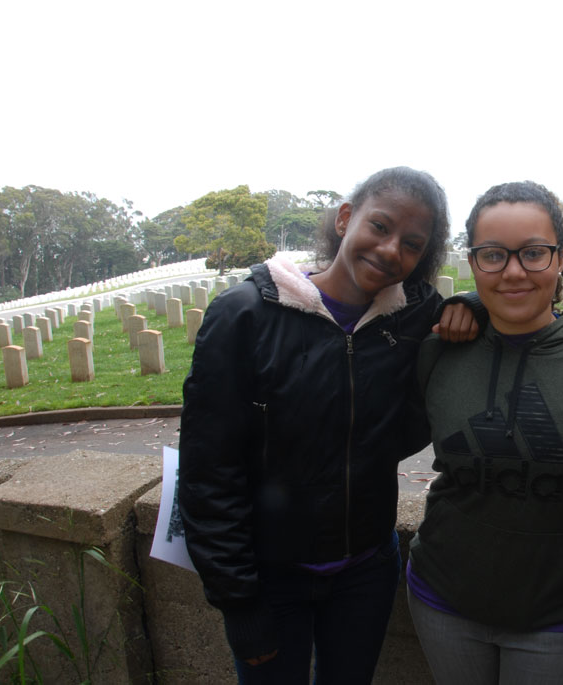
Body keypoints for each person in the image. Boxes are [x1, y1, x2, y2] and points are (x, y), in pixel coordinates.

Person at [178, 167, 479, 684]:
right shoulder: (245, 314)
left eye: (411, 243)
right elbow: (209, 470)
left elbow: (477, 311)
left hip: (366, 570)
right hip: (270, 579)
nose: (390, 250)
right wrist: (238, 602)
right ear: (345, 218)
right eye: (379, 227)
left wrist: (470, 305)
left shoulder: (408, 318)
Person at [406, 181, 563, 684]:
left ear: (561, 258)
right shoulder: (438, 351)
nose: (513, 271)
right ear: (473, 260)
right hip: (443, 598)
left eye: (533, 253)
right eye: (493, 255)